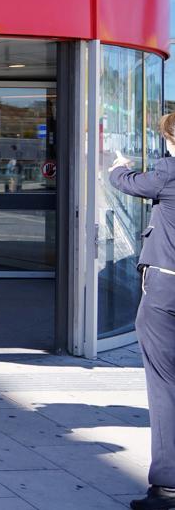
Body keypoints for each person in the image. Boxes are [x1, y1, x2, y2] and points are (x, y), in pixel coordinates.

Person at [108, 116, 175, 510]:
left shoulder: (168, 170)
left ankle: (167, 486)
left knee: (164, 383)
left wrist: (116, 164)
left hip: (166, 286)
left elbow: (128, 182)